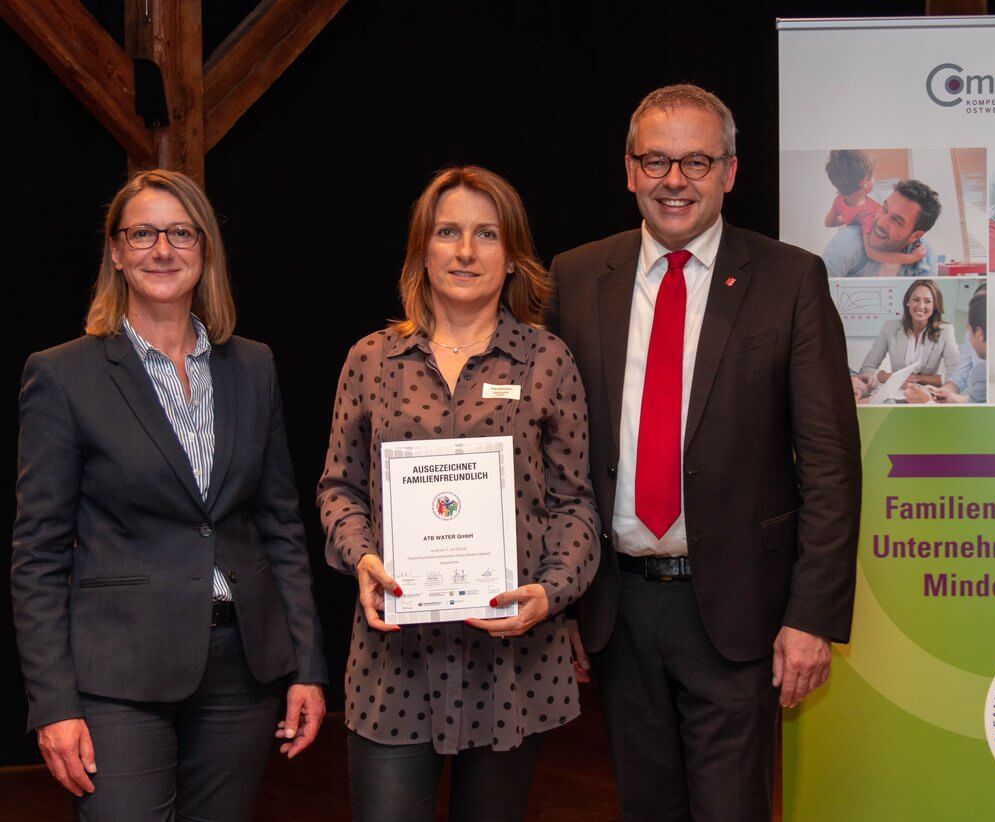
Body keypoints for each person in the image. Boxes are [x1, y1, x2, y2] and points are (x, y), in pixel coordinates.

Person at [549, 84, 861, 822]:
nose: (674, 180)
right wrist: (560, 594)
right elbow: (552, 455)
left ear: (730, 171)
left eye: (696, 160)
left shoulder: (789, 280)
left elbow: (829, 466)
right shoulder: (575, 275)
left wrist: (811, 615)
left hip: (739, 608)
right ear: (628, 170)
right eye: (656, 160)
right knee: (645, 806)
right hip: (616, 605)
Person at [11, 169, 327, 820]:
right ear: (118, 254)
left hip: (241, 670)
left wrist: (308, 665)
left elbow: (280, 526)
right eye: (144, 234)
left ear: (205, 250)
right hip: (117, 678)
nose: (163, 250)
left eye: (181, 233)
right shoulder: (63, 375)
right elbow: (37, 557)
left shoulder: (253, 366)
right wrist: (54, 703)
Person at [317, 165, 598, 822]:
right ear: (422, 250)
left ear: (512, 257)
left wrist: (551, 592)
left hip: (510, 660)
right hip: (397, 664)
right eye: (448, 232)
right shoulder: (370, 359)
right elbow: (338, 489)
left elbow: (574, 503)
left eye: (486, 234)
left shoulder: (546, 360)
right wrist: (361, 557)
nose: (466, 251)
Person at [823, 150, 927, 269]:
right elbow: (872, 253)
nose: (874, 179)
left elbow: (829, 223)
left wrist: (849, 217)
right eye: (872, 176)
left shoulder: (839, 200)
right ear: (864, 183)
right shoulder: (868, 214)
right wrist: (911, 258)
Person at [822, 179, 941, 277]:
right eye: (884, 208)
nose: (880, 222)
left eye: (896, 220)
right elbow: (816, 297)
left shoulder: (925, 257)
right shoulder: (846, 243)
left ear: (915, 236)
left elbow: (928, 301)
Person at [859, 279, 959, 389]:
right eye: (916, 299)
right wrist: (894, 378)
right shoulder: (890, 327)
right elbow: (866, 369)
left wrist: (917, 379)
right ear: (908, 302)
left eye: (927, 301)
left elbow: (955, 375)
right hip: (896, 395)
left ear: (934, 305)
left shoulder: (946, 331)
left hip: (927, 395)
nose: (921, 306)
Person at [934, 290, 987, 404]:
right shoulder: (969, 335)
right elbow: (958, 377)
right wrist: (942, 392)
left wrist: (958, 399)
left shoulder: (982, 371)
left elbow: (979, 401)